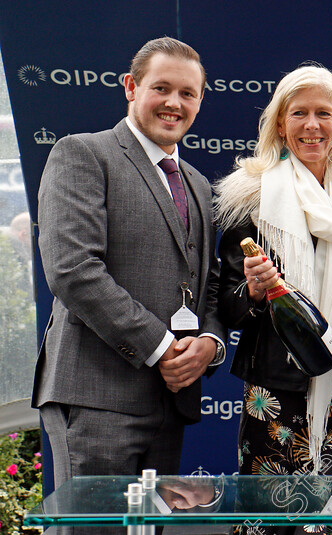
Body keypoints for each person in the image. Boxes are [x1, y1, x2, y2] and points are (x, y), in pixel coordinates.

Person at [35, 36, 226, 515]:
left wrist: (209, 344)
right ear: (130, 86)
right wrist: (162, 348)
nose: (174, 103)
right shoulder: (82, 154)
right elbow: (74, 270)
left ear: (201, 100)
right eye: (161, 88)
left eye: (188, 93)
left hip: (170, 400)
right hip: (96, 397)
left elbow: (212, 284)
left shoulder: (200, 185)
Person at [214, 64, 332, 535]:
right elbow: (227, 305)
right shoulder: (249, 200)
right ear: (279, 123)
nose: (312, 125)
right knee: (267, 521)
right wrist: (252, 290)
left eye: (323, 113)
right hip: (274, 390)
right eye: (299, 114)